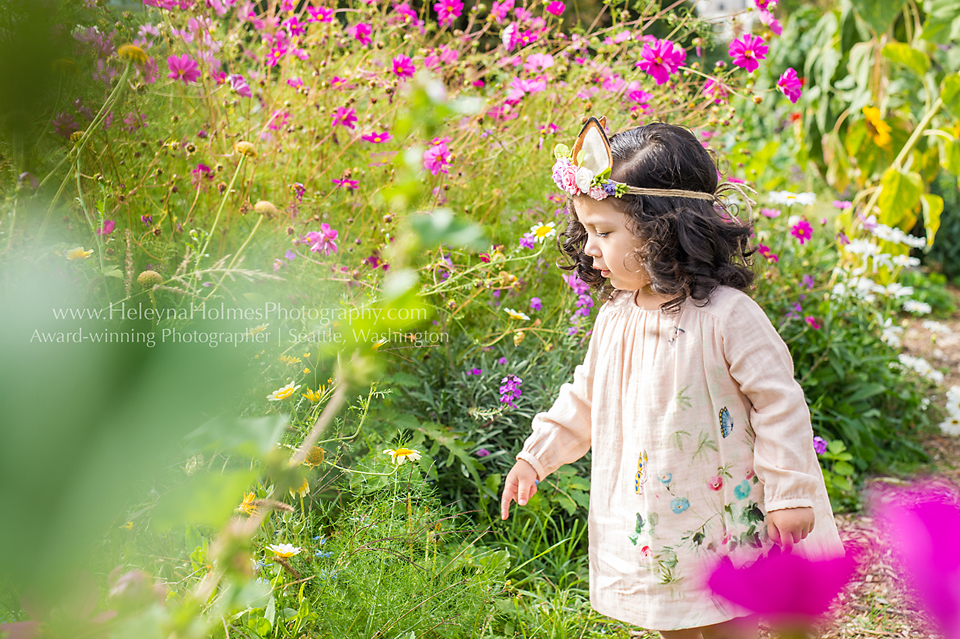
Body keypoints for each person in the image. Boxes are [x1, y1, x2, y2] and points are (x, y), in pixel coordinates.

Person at [500, 119, 845, 639]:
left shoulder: (727, 316)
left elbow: (778, 404)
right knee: (671, 615)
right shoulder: (617, 315)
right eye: (587, 231)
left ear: (665, 228)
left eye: (606, 232)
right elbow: (586, 396)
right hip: (657, 517)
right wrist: (537, 454)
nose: (591, 248)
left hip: (727, 511)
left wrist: (789, 493)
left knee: (733, 618)